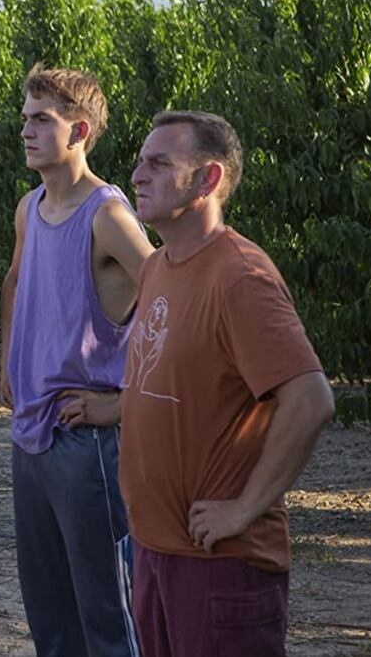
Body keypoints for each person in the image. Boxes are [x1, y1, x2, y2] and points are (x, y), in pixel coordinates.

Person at [122, 110, 334, 656]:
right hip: (155, 552)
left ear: (208, 179)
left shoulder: (241, 276)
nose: (138, 174)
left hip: (220, 567)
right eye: (141, 161)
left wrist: (244, 507)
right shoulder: (157, 266)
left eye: (159, 163)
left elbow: (310, 399)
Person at [0, 65, 152, 656]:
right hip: (30, 432)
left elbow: (174, 304)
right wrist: (11, 362)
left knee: (107, 615)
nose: (27, 132)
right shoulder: (27, 207)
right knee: (49, 616)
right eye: (25, 119)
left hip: (86, 440)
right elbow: (13, 280)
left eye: (42, 120)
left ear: (79, 129)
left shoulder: (109, 215)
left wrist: (123, 403)